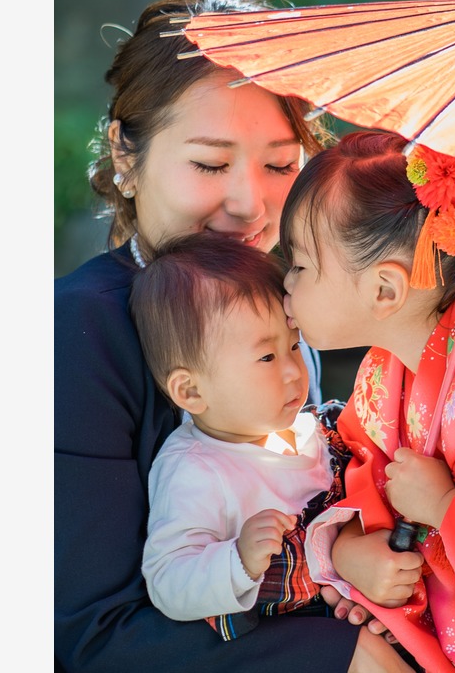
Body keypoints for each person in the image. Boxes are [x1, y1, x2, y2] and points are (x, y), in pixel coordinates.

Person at [54, 0, 415, 673]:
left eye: (281, 164)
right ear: (126, 158)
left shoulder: (288, 301)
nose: (250, 203)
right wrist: (342, 655)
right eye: (211, 164)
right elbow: (92, 637)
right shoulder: (74, 337)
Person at [279, 131, 455, 673]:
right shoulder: (381, 375)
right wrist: (351, 550)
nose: (284, 284)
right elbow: (358, 484)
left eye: (300, 266)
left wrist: (445, 510)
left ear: (384, 290)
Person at [130, 232, 352, 640]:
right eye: (266, 356)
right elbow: (167, 580)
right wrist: (239, 560)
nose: (293, 370)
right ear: (192, 391)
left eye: (294, 346)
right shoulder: (196, 469)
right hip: (292, 637)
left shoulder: (312, 430)